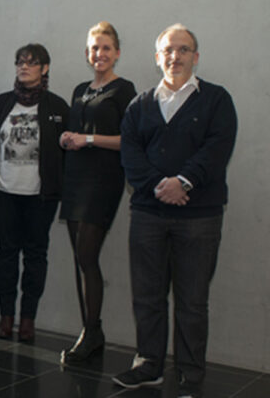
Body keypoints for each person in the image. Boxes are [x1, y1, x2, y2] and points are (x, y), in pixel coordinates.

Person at [113, 24, 237, 398]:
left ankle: (190, 373)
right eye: (168, 50)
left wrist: (183, 181)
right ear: (157, 58)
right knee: (147, 296)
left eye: (183, 50)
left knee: (192, 301)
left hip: (199, 216)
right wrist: (158, 186)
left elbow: (218, 149)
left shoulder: (216, 100)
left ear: (195, 57)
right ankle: (148, 365)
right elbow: (130, 154)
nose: (175, 56)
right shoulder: (140, 104)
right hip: (148, 215)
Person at [59, 22, 136, 362]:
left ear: (117, 52)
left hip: (103, 181)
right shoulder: (80, 89)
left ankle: (92, 330)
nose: (99, 54)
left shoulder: (124, 90)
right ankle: (91, 331)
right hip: (75, 178)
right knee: (80, 258)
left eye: (105, 48)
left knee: (87, 256)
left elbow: (129, 141)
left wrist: (87, 139)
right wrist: (68, 138)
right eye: (93, 48)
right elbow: (77, 131)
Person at [0, 43, 69, 342]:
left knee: (35, 254)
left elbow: (65, 151)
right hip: (4, 190)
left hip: (41, 196)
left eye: (32, 63)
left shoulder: (57, 107)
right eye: (20, 62)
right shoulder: (1, 104)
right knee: (6, 253)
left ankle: (28, 319)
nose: (24, 67)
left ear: (44, 69)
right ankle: (6, 317)